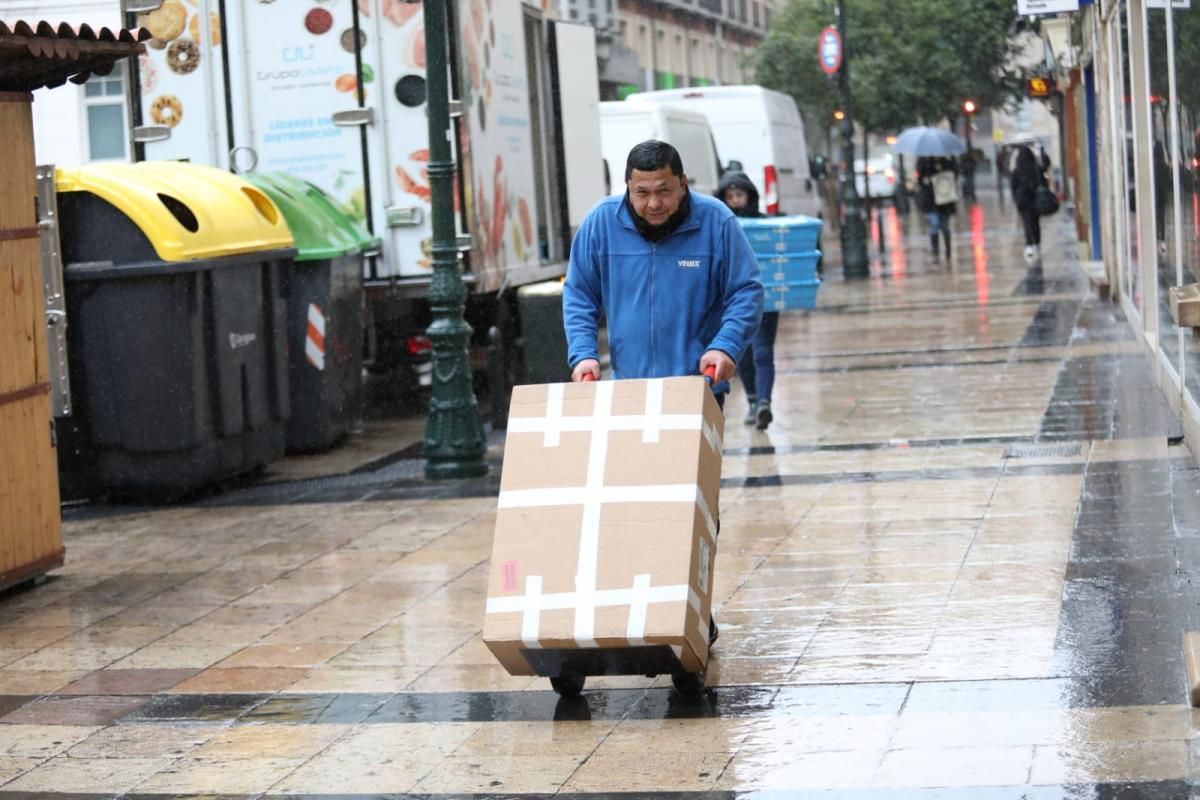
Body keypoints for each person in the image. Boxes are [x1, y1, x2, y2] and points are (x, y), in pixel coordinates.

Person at [563, 140, 763, 648]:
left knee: (692, 510)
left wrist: (724, 347)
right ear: (627, 188)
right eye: (642, 192)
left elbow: (746, 291)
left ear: (684, 184)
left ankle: (693, 606)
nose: (653, 203)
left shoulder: (716, 223)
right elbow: (579, 292)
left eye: (664, 191)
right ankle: (643, 604)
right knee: (634, 508)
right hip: (628, 397)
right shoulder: (602, 225)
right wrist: (584, 353)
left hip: (697, 393)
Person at [714, 171, 778, 431]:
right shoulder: (720, 227)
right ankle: (753, 399)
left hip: (766, 299)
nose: (735, 200)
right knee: (744, 354)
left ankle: (764, 402)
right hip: (734, 302)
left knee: (763, 351)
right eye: (729, 196)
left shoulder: (766, 226)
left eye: (739, 195)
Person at [915, 156, 958, 261]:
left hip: (945, 201)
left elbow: (954, 175)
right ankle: (935, 252)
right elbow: (920, 179)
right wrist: (925, 180)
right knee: (934, 224)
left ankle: (948, 252)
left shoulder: (948, 162)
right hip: (931, 201)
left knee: (945, 227)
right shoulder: (923, 162)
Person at [1011, 144, 1046, 263]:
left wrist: (1016, 199)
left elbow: (1013, 187)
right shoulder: (1035, 168)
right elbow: (1043, 180)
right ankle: (1036, 243)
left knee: (1027, 222)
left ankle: (1029, 244)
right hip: (1035, 200)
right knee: (1035, 222)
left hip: (1023, 202)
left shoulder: (1016, 171)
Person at [1154, 141, 1171, 256]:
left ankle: (1156, 240)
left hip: (1154, 195)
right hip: (1163, 196)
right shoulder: (1165, 166)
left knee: (1155, 218)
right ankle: (1163, 242)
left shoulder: (1152, 164)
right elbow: (1169, 180)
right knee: (1162, 219)